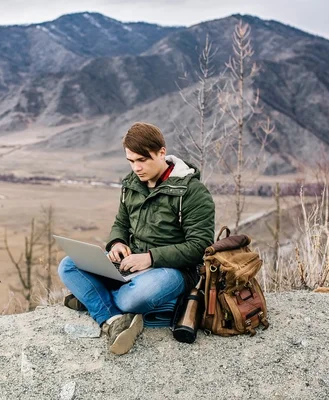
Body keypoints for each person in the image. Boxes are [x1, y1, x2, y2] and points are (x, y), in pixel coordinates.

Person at [58, 122, 215, 355]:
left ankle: (96, 301)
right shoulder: (131, 184)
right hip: (130, 265)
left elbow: (200, 246)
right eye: (131, 161)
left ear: (162, 152)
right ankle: (113, 320)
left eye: (142, 160)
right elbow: (121, 222)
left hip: (174, 271)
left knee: (133, 298)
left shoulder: (193, 192)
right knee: (68, 265)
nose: (136, 168)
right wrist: (117, 243)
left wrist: (150, 258)